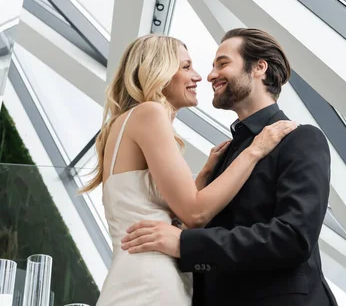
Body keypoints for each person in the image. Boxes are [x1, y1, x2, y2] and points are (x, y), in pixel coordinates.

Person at [122, 28, 338, 305]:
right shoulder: (223, 156)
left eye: (222, 64)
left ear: (259, 67)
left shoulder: (301, 139)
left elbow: (293, 237)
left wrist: (184, 244)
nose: (210, 75)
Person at [81, 34, 297, 305]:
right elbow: (195, 213)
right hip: (153, 280)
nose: (198, 76)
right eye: (185, 66)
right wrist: (254, 150)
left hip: (132, 274)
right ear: (157, 69)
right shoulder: (150, 113)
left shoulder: (123, 124)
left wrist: (205, 174)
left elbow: (159, 210)